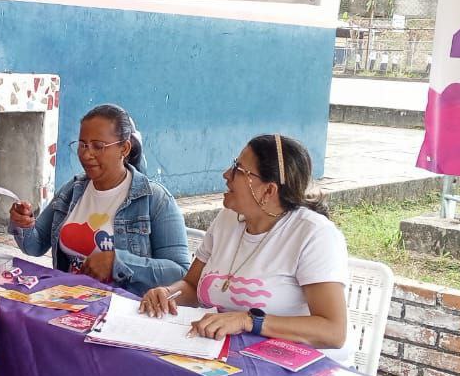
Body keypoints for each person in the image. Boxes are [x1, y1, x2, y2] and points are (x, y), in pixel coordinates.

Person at [140, 133, 352, 364]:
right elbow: (191, 285)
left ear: (269, 191)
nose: (226, 175)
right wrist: (168, 293)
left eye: (239, 170)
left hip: (294, 369)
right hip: (228, 356)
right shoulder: (227, 219)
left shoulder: (313, 234)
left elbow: (333, 332)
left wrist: (249, 321)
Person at [8, 104, 189, 295]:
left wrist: (118, 261)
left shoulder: (155, 200)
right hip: (68, 303)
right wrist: (23, 224)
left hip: (125, 311)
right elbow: (34, 246)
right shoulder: (73, 191)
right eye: (83, 144)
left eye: (98, 146)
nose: (86, 154)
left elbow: (180, 272)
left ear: (124, 148)